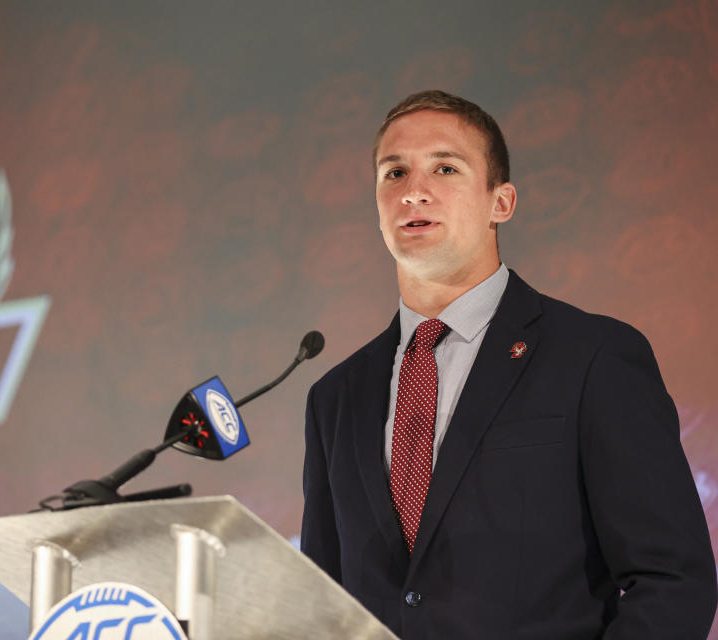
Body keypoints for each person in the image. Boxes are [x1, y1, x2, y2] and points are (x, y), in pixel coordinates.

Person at [300, 90, 717, 639]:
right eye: (393, 173)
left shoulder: (592, 356)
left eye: (444, 168)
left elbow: (673, 580)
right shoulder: (336, 396)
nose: (413, 192)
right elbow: (320, 602)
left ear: (502, 202)